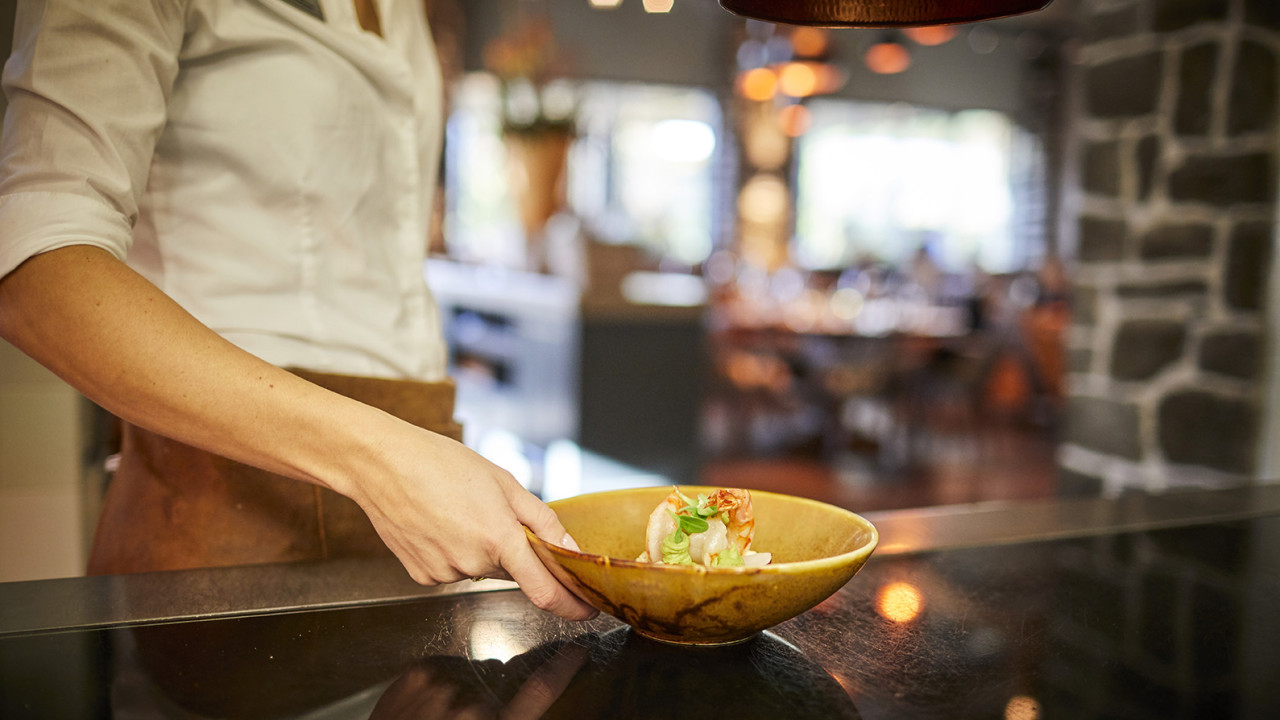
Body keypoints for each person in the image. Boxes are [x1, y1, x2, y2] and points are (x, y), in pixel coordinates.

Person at [0, 0, 595, 621]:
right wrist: (380, 460)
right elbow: (37, 266)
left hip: (415, 497)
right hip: (227, 512)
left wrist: (406, 461)